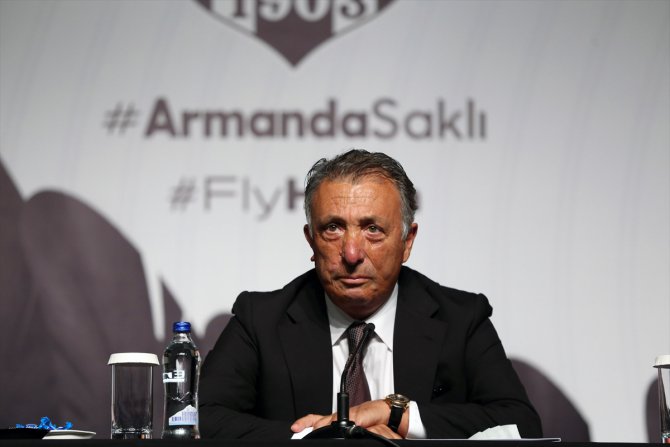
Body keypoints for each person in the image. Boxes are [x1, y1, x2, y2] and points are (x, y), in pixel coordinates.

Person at [199, 149, 542, 440]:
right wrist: (323, 439)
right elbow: (201, 416)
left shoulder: (460, 319)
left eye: (373, 229)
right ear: (311, 241)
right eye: (333, 228)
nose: (351, 253)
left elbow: (522, 424)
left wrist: (397, 414)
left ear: (407, 241)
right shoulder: (261, 320)